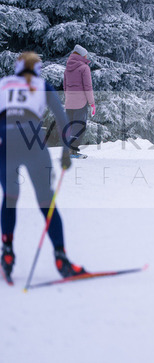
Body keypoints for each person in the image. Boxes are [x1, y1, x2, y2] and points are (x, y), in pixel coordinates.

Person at [1, 52, 86, 281]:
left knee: (10, 198)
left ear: (17, 67)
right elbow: (62, 119)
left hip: (6, 142)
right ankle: (61, 257)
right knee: (46, 201)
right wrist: (66, 152)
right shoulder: (42, 85)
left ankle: (7, 253)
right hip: (33, 142)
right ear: (37, 69)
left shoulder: (4, 84)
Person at [63, 44, 95, 158]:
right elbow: (88, 87)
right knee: (79, 126)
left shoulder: (67, 68)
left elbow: (65, 86)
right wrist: (91, 102)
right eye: (85, 55)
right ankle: (73, 151)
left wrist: (68, 98)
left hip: (69, 102)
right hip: (81, 102)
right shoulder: (84, 68)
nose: (86, 57)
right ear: (82, 55)